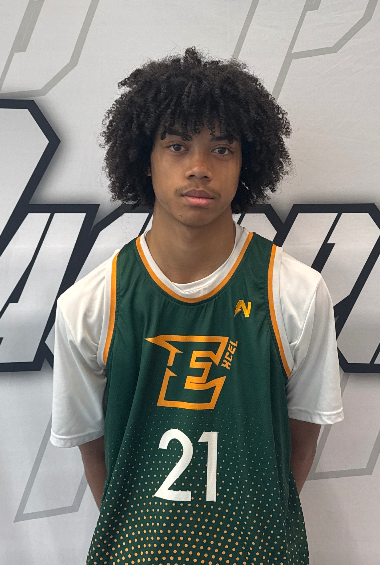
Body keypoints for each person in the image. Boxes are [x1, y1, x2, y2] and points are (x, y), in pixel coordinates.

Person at [51, 47, 343, 565]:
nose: (200, 168)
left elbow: (300, 441)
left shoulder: (296, 292)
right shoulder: (90, 304)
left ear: (246, 163)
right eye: (177, 146)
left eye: (222, 149)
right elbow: (94, 450)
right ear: (144, 158)